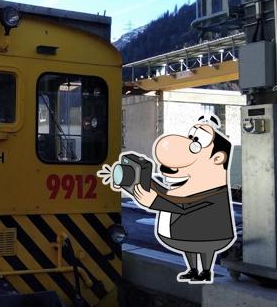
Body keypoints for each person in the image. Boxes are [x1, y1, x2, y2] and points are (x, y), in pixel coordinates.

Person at [99, 115, 236, 284]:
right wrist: (144, 182)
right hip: (187, 235)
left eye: (195, 145)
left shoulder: (212, 192)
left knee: (203, 248)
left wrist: (154, 202)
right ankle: (194, 270)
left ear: (217, 158)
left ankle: (205, 272)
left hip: (208, 234)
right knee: (191, 248)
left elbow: (185, 207)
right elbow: (169, 195)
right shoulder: (185, 188)